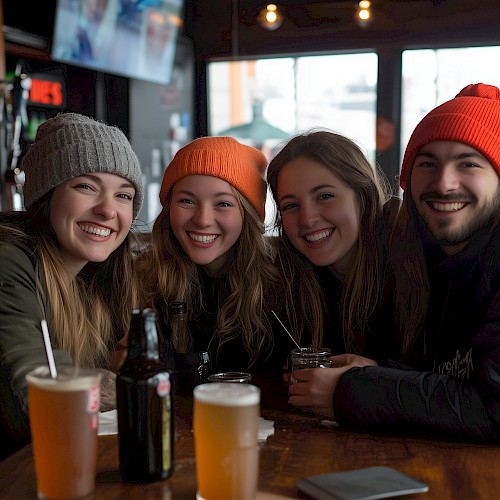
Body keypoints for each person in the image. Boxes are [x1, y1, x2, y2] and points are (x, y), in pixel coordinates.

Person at [294, 83, 500, 442]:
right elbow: (450, 380)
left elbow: (494, 409)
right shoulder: (430, 257)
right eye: (428, 164)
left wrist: (352, 391)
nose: (444, 183)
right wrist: (377, 372)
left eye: (468, 164)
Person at [0, 112, 144, 459]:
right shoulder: (8, 261)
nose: (108, 210)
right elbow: (36, 392)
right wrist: (123, 389)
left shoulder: (100, 279)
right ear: (45, 196)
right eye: (86, 186)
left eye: (123, 195)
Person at [135, 136, 289, 403]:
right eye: (187, 201)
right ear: (168, 208)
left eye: (223, 204)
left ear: (248, 214)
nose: (203, 219)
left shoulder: (282, 283)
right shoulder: (142, 280)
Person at [266, 129, 397, 358]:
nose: (307, 219)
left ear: (363, 196)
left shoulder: (408, 263)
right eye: (291, 205)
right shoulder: (287, 279)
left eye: (325, 196)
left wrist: (363, 379)